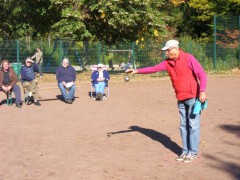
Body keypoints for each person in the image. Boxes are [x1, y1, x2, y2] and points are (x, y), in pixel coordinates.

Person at [126, 39, 207, 163]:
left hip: (193, 96)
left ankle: (193, 152)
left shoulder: (188, 58)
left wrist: (202, 91)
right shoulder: (167, 63)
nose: (166, 53)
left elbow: (202, 74)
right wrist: (137, 71)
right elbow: (153, 69)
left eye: (168, 50)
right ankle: (185, 151)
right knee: (183, 126)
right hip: (180, 97)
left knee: (193, 125)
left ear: (175, 49)